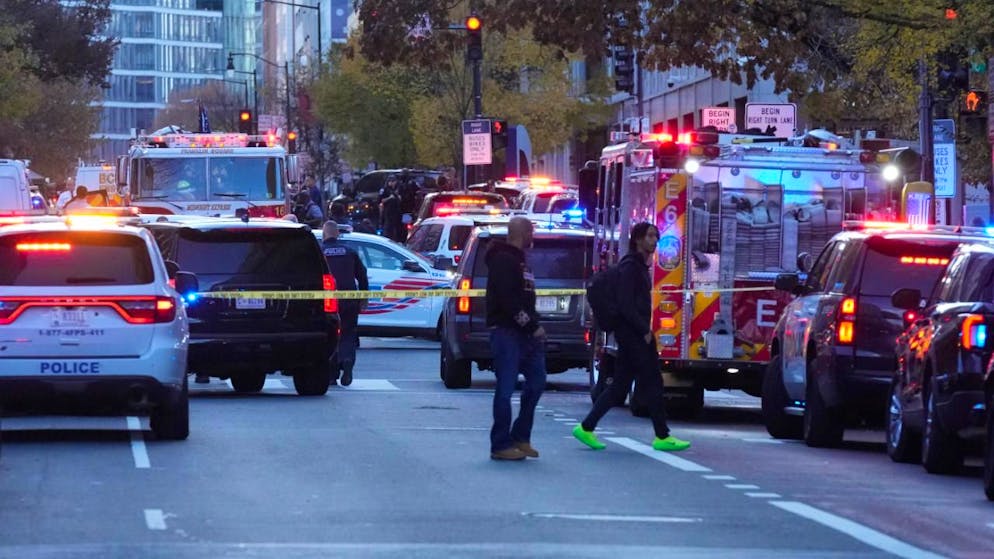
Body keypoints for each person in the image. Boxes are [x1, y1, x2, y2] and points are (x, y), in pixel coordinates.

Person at [573, 222, 691, 452]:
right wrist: (643, 330)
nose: (654, 240)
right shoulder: (630, 268)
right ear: (637, 239)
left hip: (630, 334)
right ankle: (662, 435)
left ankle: (586, 427)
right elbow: (626, 304)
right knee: (653, 381)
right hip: (633, 334)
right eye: (649, 236)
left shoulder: (638, 267)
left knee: (620, 386)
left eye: (656, 236)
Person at [486, 217, 547, 461]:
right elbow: (508, 300)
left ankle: (521, 436)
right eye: (531, 232)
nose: (533, 236)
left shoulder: (521, 261)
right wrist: (531, 325)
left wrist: (534, 323)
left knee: (537, 382)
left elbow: (524, 297)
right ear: (522, 233)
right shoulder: (503, 260)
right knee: (505, 389)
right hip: (507, 333)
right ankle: (500, 444)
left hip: (526, 334)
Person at [322, 221, 369, 386]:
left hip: (327, 301)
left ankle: (332, 373)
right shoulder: (349, 252)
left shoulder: (320, 252)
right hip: (349, 299)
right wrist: (364, 297)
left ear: (324, 234)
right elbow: (362, 275)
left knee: (330, 334)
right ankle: (347, 361)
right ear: (337, 234)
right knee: (348, 333)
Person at [379, 176, 403, 242]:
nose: (394, 183)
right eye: (392, 182)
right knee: (388, 227)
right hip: (388, 211)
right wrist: (389, 198)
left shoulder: (397, 189)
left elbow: (401, 199)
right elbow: (381, 200)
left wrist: (399, 197)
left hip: (397, 211)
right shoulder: (384, 189)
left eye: (394, 182)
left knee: (398, 227)